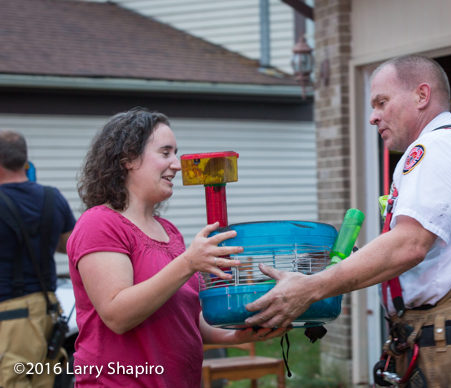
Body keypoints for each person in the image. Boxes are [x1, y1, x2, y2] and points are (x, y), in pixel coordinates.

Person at [244, 56, 451, 387]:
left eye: (382, 102)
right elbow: (432, 254)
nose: (372, 117)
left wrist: (310, 288)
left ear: (422, 96)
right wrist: (338, 265)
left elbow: (410, 244)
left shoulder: (439, 145)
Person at [66, 107, 287, 387]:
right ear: (128, 159)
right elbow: (117, 314)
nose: (177, 164)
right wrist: (188, 263)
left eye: (175, 153)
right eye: (165, 153)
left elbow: (187, 319)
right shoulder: (99, 223)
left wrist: (236, 336)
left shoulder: (169, 231)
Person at [0, 130, 76, 388]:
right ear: (24, 160)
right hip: (48, 312)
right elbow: (70, 246)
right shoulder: (52, 198)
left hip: (8, 317)